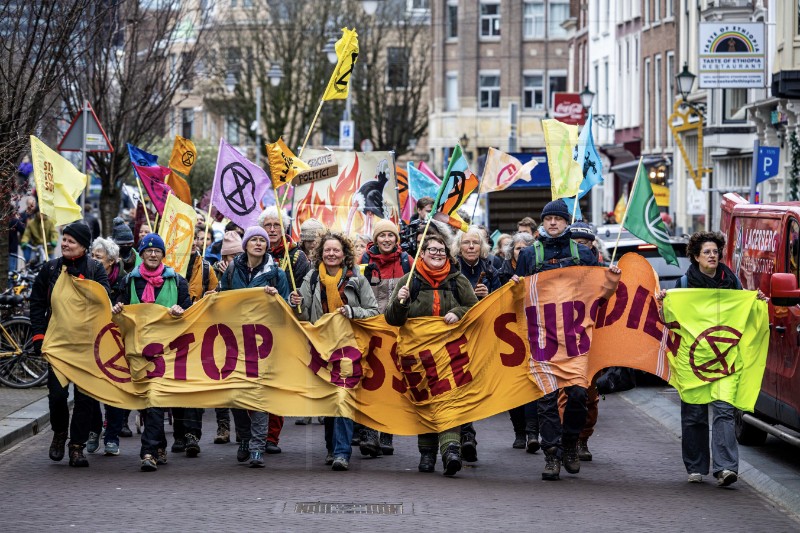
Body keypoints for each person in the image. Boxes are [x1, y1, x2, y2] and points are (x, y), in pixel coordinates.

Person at [514, 199, 619, 481]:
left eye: (558, 219)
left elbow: (599, 295)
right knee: (547, 401)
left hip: (575, 338)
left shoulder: (584, 254)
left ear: (566, 222)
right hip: (541, 338)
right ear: (542, 222)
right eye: (548, 219)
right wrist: (512, 287)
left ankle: (570, 443)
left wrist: (611, 282)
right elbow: (516, 297)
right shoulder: (528, 255)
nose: (552, 223)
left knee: (577, 395)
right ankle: (552, 456)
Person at [655, 231, 765, 487]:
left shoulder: (733, 283)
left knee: (725, 412)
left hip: (725, 361)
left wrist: (756, 301)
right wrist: (663, 304)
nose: (712, 255)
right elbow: (669, 321)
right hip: (693, 363)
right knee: (694, 414)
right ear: (695, 257)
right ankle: (695, 466)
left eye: (715, 251)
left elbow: (744, 313)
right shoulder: (683, 286)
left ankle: (725, 468)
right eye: (707, 252)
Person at [385, 234, 478, 476]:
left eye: (441, 251)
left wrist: (458, 312)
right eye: (432, 250)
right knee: (425, 401)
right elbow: (392, 319)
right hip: (418, 357)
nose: (437, 254)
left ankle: (451, 451)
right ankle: (427, 454)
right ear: (422, 254)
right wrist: (401, 303)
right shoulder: (408, 281)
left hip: (450, 354)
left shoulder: (458, 281)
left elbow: (475, 309)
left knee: (449, 399)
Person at [289, 232, 379, 471]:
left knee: (343, 397)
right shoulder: (310, 279)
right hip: (322, 350)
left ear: (344, 254)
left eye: (336, 250)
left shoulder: (357, 280)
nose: (331, 254)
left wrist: (353, 312)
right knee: (330, 400)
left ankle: (341, 452)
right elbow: (304, 316)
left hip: (349, 349)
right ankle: (332, 448)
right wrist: (295, 302)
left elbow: (373, 311)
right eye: (327, 250)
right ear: (320, 253)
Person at [112, 233, 195, 472]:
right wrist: (118, 308)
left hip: (168, 352)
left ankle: (147, 452)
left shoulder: (177, 281)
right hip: (139, 352)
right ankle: (159, 445)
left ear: (162, 255)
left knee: (156, 399)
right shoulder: (129, 281)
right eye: (148, 251)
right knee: (148, 402)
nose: (152, 254)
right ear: (142, 254)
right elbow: (120, 309)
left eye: (157, 251)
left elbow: (190, 312)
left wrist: (182, 310)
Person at [30, 222, 110, 467]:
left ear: (83, 246)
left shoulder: (96, 269)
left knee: (86, 400)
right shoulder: (50, 269)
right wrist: (39, 336)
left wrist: (85, 284)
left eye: (70, 241)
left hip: (87, 347)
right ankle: (59, 434)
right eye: (64, 239)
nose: (64, 244)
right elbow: (37, 304)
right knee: (57, 396)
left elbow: (105, 300)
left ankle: (77, 447)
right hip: (58, 345)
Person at [217, 226, 290, 467]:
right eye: (254, 240)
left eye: (262, 240)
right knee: (237, 394)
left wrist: (276, 298)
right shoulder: (230, 271)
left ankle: (257, 447)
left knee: (259, 394)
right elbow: (221, 298)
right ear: (246, 244)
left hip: (263, 342)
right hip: (235, 340)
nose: (258, 244)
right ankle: (246, 438)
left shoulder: (276, 274)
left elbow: (287, 308)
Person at [359, 219, 413, 456]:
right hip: (372, 328)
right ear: (376, 239)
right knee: (370, 381)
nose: (387, 240)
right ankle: (370, 433)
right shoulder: (364, 261)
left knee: (393, 382)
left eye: (391, 236)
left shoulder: (406, 260)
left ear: (396, 238)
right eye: (382, 236)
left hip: (398, 329)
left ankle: (387, 433)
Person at [258, 206, 312, 429]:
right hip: (257, 324)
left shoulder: (297, 257)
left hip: (284, 324)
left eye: (276, 225)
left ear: (285, 228)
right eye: (267, 225)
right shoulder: (254, 252)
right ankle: (253, 435)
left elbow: (302, 290)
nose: (272, 230)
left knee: (278, 379)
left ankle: (271, 435)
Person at [88, 237, 129, 456]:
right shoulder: (87, 278)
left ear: (111, 261)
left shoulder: (123, 280)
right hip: (93, 342)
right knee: (92, 390)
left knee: (115, 389)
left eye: (98, 257)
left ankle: (112, 436)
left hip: (116, 343)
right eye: (92, 256)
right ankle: (94, 430)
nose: (93, 261)